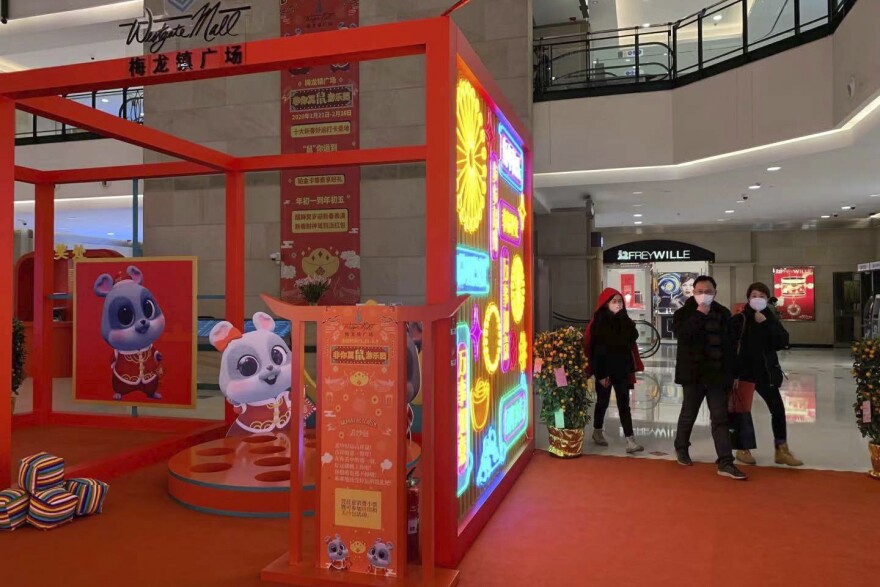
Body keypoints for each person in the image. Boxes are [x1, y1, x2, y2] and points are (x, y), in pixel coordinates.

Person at [672, 276, 747, 480]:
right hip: (693, 376)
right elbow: (683, 335)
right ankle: (681, 447)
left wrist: (734, 374)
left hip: (717, 376)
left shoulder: (723, 313)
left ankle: (725, 461)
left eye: (708, 291)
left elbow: (730, 347)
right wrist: (698, 314)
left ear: (715, 292)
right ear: (693, 292)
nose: (704, 295)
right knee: (689, 414)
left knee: (720, 418)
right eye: (699, 291)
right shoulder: (684, 313)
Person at [729, 283, 803, 467]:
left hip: (765, 373)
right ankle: (742, 449)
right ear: (748, 298)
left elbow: (783, 341)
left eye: (762, 295)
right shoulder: (740, 317)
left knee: (777, 409)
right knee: (743, 411)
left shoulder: (769, 317)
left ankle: (781, 449)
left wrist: (767, 323)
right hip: (744, 372)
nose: (757, 298)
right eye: (754, 295)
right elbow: (731, 345)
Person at [583, 288, 644, 454]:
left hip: (622, 370)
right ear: (606, 304)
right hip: (605, 371)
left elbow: (632, 338)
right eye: (614, 301)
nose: (618, 304)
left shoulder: (625, 321)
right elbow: (595, 351)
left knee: (624, 404)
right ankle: (597, 431)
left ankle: (630, 439)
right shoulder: (598, 323)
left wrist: (624, 320)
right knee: (602, 402)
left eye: (619, 301)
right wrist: (601, 374)